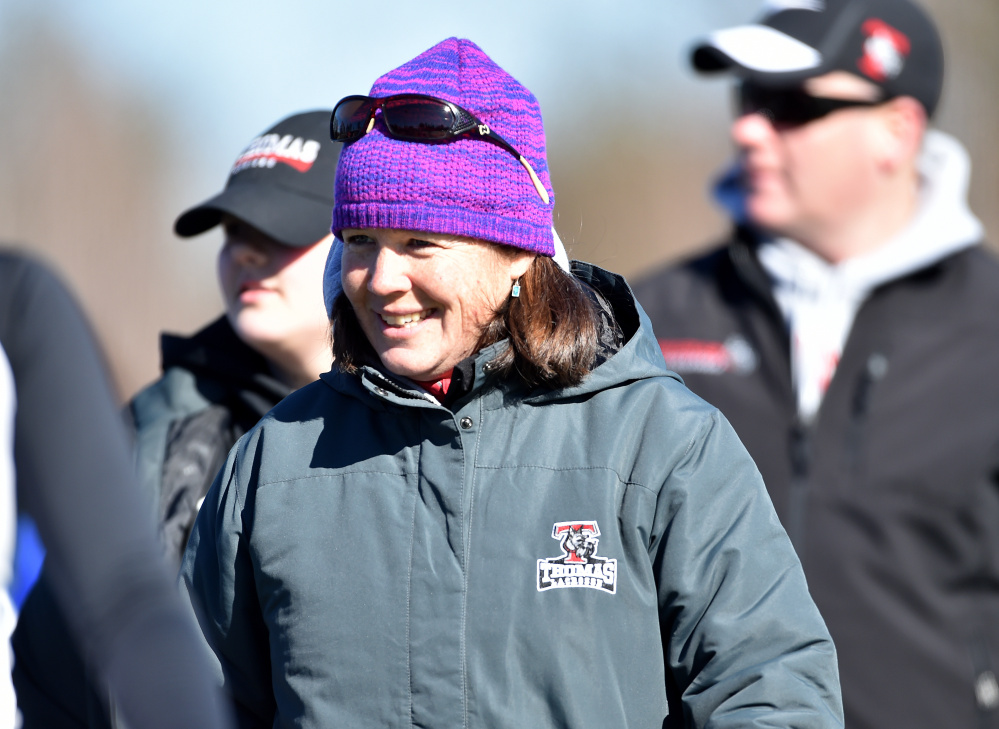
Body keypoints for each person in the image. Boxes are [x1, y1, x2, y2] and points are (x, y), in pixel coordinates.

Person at [180, 37, 843, 728]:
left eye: (419, 243)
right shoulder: (275, 462)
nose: (381, 281)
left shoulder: (659, 443)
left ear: (520, 253)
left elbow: (771, 691)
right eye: (360, 241)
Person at [630, 1, 999, 727]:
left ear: (897, 132)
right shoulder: (643, 321)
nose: (748, 128)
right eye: (746, 99)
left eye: (792, 107)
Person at [11, 111, 338, 728]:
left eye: (279, 227)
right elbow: (49, 669)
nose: (246, 250)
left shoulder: (436, 432)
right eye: (234, 229)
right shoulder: (146, 432)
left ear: (359, 241)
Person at [0, 249, 233, 729]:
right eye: (234, 234)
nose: (250, 253)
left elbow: (125, 594)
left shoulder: (16, 304)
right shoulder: (162, 433)